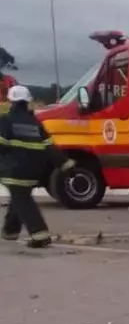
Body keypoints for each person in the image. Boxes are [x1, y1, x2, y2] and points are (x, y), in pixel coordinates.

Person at [0, 86, 74, 248]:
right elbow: (49, 147)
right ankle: (10, 231)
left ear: (11, 101)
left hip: (14, 170)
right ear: (27, 101)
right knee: (19, 196)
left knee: (22, 199)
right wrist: (65, 164)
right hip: (34, 171)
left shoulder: (5, 121)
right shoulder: (35, 123)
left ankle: (39, 234)